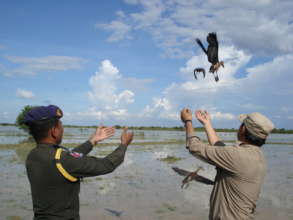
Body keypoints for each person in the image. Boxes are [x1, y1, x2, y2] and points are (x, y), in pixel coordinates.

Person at [24, 105, 133, 220]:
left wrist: (93, 140)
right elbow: (106, 165)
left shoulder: (33, 156)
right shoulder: (62, 159)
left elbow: (70, 158)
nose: (62, 130)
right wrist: (124, 144)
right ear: (54, 131)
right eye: (61, 126)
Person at [180, 108, 274, 220]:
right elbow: (220, 149)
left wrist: (188, 121)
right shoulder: (257, 156)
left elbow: (194, 147)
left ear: (243, 129)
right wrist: (207, 123)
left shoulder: (237, 156)